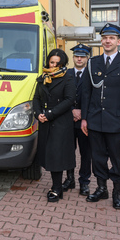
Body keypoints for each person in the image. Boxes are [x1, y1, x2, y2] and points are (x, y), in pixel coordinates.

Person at [81, 23, 120, 209]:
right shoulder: (92, 63)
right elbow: (86, 93)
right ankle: (101, 189)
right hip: (95, 120)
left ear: (118, 41)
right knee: (97, 158)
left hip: (117, 122)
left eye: (112, 38)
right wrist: (84, 117)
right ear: (101, 40)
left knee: (117, 159)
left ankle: (117, 192)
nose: (108, 41)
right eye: (105, 37)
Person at [32, 48, 75, 202]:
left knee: (56, 155)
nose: (54, 66)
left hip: (60, 122)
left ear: (63, 64)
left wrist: (49, 114)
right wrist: (38, 114)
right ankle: (58, 185)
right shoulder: (43, 77)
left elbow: (69, 100)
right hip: (45, 121)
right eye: (52, 62)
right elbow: (36, 98)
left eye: (58, 63)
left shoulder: (68, 78)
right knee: (48, 154)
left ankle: (57, 188)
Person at [62, 43, 92, 197]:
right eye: (76, 56)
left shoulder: (93, 74)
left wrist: (82, 112)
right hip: (68, 119)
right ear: (73, 57)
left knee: (86, 153)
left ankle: (84, 182)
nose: (79, 59)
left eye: (82, 56)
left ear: (87, 58)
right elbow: (60, 96)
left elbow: (94, 98)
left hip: (85, 121)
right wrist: (72, 110)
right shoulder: (65, 74)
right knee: (68, 151)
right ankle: (70, 179)